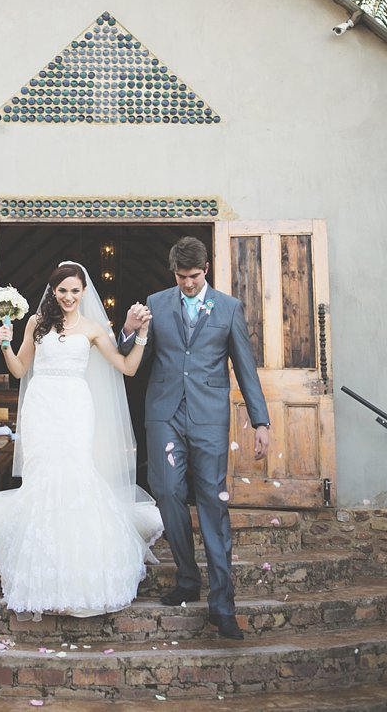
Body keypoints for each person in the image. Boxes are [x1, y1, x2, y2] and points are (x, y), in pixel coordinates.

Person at [0, 262, 163, 619]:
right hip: (41, 404)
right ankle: (38, 567)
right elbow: (20, 370)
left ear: (84, 293)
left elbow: (127, 368)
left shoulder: (94, 329)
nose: (68, 297)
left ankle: (79, 566)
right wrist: (4, 345)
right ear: (53, 290)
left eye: (75, 291)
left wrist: (141, 334)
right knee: (43, 474)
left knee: (75, 470)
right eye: (62, 290)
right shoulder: (36, 324)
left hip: (75, 406)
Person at [119, 236, 270, 640]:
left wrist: (261, 422)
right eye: (182, 277)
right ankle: (187, 577)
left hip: (208, 419)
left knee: (212, 503)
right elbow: (129, 360)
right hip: (164, 414)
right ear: (174, 273)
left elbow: (245, 367)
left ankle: (223, 605)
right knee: (166, 490)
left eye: (195, 276)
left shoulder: (229, 308)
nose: (188, 283)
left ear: (207, 270)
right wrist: (129, 331)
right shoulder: (155, 303)